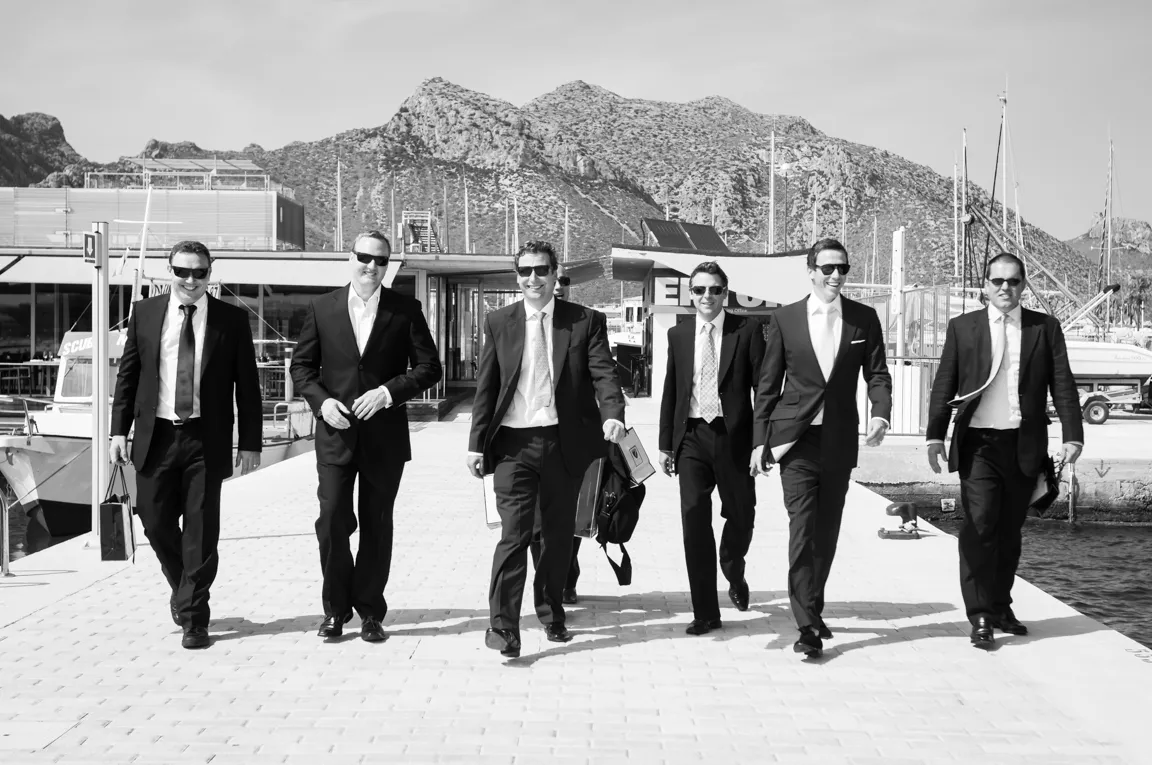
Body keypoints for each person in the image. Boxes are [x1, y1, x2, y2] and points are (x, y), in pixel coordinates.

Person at [466, 241, 625, 659]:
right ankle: (503, 627)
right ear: (516, 276)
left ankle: (551, 610)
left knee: (555, 538)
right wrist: (474, 444)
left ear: (556, 275)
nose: (532, 278)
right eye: (525, 271)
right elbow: (487, 387)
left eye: (541, 270)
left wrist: (613, 414)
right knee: (513, 536)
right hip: (512, 447)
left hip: (563, 443)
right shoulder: (499, 321)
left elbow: (603, 373)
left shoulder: (585, 321)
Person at [110, 240, 262, 650]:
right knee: (154, 521)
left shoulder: (231, 320)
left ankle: (195, 618)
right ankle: (184, 589)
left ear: (211, 273)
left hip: (205, 438)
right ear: (169, 271)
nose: (191, 280)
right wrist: (116, 432)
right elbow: (128, 377)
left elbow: (248, 387)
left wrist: (250, 442)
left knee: (200, 530)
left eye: (200, 272)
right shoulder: (144, 313)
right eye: (183, 271)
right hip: (155, 435)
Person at [290, 231, 442, 642]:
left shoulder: (405, 309)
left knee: (377, 525)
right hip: (335, 436)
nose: (371, 266)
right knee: (333, 520)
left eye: (381, 261)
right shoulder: (322, 308)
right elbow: (302, 368)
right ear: (350, 257)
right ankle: (334, 611)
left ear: (388, 266)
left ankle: (371, 611)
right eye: (364, 257)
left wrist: (389, 392)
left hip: (384, 438)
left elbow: (430, 368)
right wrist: (321, 403)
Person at [926, 252, 1082, 648]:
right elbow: (945, 383)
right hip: (978, 444)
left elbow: (1061, 382)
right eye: (997, 281)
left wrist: (1073, 435)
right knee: (979, 527)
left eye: (1013, 281)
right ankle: (979, 615)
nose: (1005, 288)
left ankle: (999, 604)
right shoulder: (963, 327)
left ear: (1023, 284)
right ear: (985, 285)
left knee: (1010, 532)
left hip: (1023, 444)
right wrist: (934, 436)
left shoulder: (1044, 328)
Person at [752, 238, 892, 658]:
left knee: (826, 534)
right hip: (795, 441)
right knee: (803, 529)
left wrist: (881, 412)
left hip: (838, 440)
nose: (835, 275)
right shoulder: (786, 319)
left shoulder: (864, 319)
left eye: (842, 268)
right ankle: (807, 625)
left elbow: (878, 374)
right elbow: (767, 384)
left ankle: (812, 605)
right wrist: (760, 442)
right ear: (811, 270)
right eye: (828, 268)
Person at [658, 261, 765, 635]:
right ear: (691, 294)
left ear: (725, 292)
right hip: (691, 438)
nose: (707, 296)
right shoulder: (679, 334)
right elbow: (672, 390)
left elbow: (762, 391)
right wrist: (665, 445)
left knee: (742, 516)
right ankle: (705, 611)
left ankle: (733, 566)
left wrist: (761, 441)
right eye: (700, 290)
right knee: (694, 521)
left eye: (714, 290)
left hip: (733, 439)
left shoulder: (747, 330)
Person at [529, 264, 584, 604]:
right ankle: (548, 582)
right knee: (535, 522)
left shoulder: (583, 323)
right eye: (555, 279)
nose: (558, 285)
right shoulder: (519, 324)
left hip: (573, 441)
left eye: (564, 280)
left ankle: (566, 576)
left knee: (568, 519)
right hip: (529, 436)